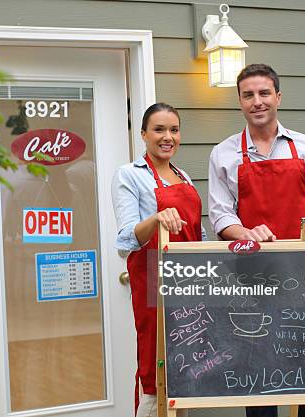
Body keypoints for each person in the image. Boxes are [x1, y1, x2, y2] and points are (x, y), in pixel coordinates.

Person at [208, 64, 305, 417]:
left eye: (264, 93)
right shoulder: (223, 155)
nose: (257, 101)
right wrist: (246, 232)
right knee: (259, 387)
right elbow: (221, 216)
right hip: (252, 288)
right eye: (248, 95)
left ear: (278, 97)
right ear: (239, 101)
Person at [112, 103, 204, 417]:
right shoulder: (129, 175)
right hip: (154, 282)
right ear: (143, 134)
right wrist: (156, 218)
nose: (168, 137)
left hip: (190, 283)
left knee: (188, 366)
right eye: (159, 130)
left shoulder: (184, 176)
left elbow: (197, 234)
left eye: (174, 130)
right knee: (155, 366)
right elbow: (126, 239)